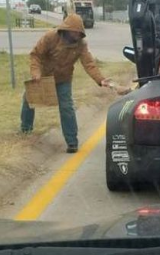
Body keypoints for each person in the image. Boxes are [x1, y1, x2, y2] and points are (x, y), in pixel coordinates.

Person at [20, 13, 112, 153]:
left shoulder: (81, 44)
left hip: (63, 79)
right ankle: (26, 130)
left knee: (67, 107)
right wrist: (36, 73)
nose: (77, 34)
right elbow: (35, 55)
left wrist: (100, 79)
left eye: (79, 32)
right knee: (28, 99)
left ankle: (72, 142)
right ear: (67, 29)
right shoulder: (50, 37)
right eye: (74, 31)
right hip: (43, 76)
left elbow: (89, 63)